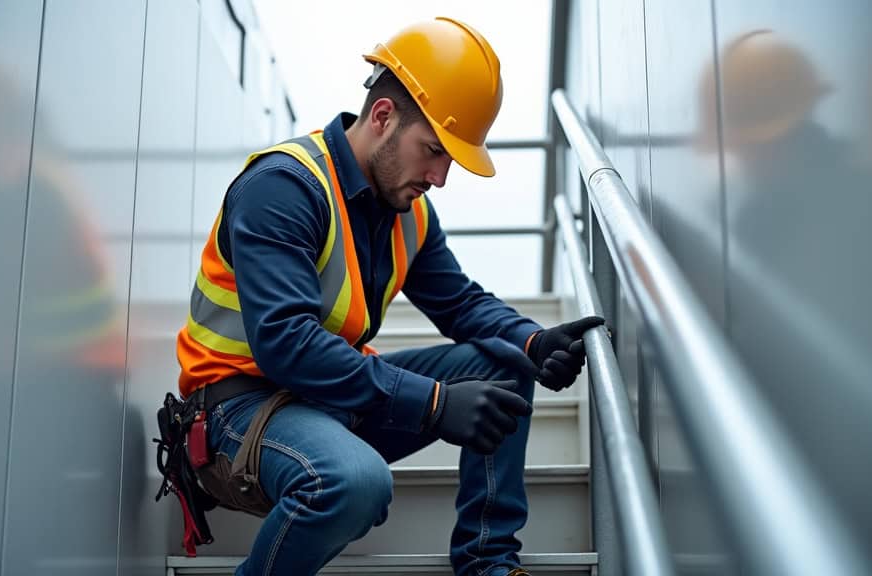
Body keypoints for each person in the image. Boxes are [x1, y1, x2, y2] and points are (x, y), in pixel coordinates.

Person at [174, 17, 603, 576]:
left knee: (501, 364)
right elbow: (285, 344)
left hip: (326, 401)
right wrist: (432, 403)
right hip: (236, 412)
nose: (440, 176)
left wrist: (533, 339)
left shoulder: (410, 214)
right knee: (355, 481)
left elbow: (462, 305)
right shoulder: (283, 188)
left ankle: (488, 561)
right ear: (382, 117)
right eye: (433, 150)